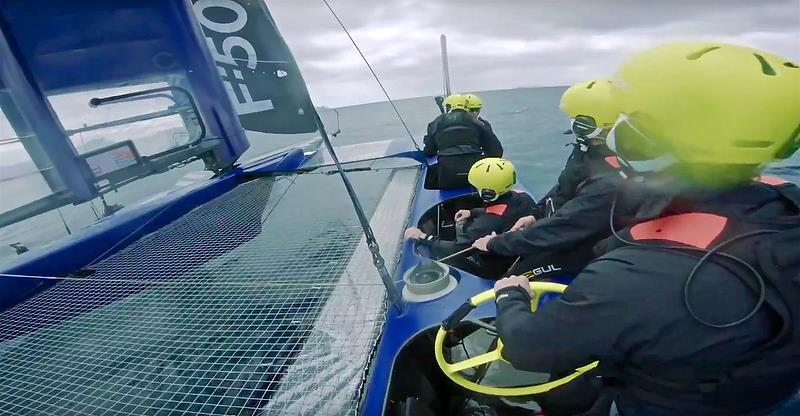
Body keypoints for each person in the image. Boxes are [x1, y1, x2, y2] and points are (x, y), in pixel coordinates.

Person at [492, 42, 800, 416]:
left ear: (641, 139)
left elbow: (528, 348)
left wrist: (511, 296)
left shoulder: (629, 278)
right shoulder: (784, 201)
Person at [471, 79, 627, 280]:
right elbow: (564, 186)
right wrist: (536, 214)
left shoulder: (612, 177)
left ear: (585, 124)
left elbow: (569, 224)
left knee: (515, 277)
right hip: (562, 233)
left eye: (576, 119)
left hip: (586, 248)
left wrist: (495, 244)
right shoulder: (586, 150)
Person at [405, 158, 534, 278]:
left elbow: (456, 249)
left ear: (487, 193)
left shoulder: (484, 224)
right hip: (519, 256)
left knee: (446, 255)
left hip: (495, 268)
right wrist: (472, 213)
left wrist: (423, 237)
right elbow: (503, 211)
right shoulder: (525, 199)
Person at [423, 94, 503, 189]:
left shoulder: (435, 123)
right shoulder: (479, 123)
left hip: (448, 176)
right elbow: (496, 152)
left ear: (448, 107)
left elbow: (429, 152)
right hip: (476, 174)